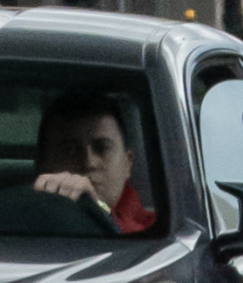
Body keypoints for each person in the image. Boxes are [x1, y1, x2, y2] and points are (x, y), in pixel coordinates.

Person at [32, 90, 160, 234]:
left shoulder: (158, 231)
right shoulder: (18, 220)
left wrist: (101, 212)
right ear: (42, 165)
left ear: (127, 163)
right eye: (69, 150)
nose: (88, 163)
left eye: (103, 148)